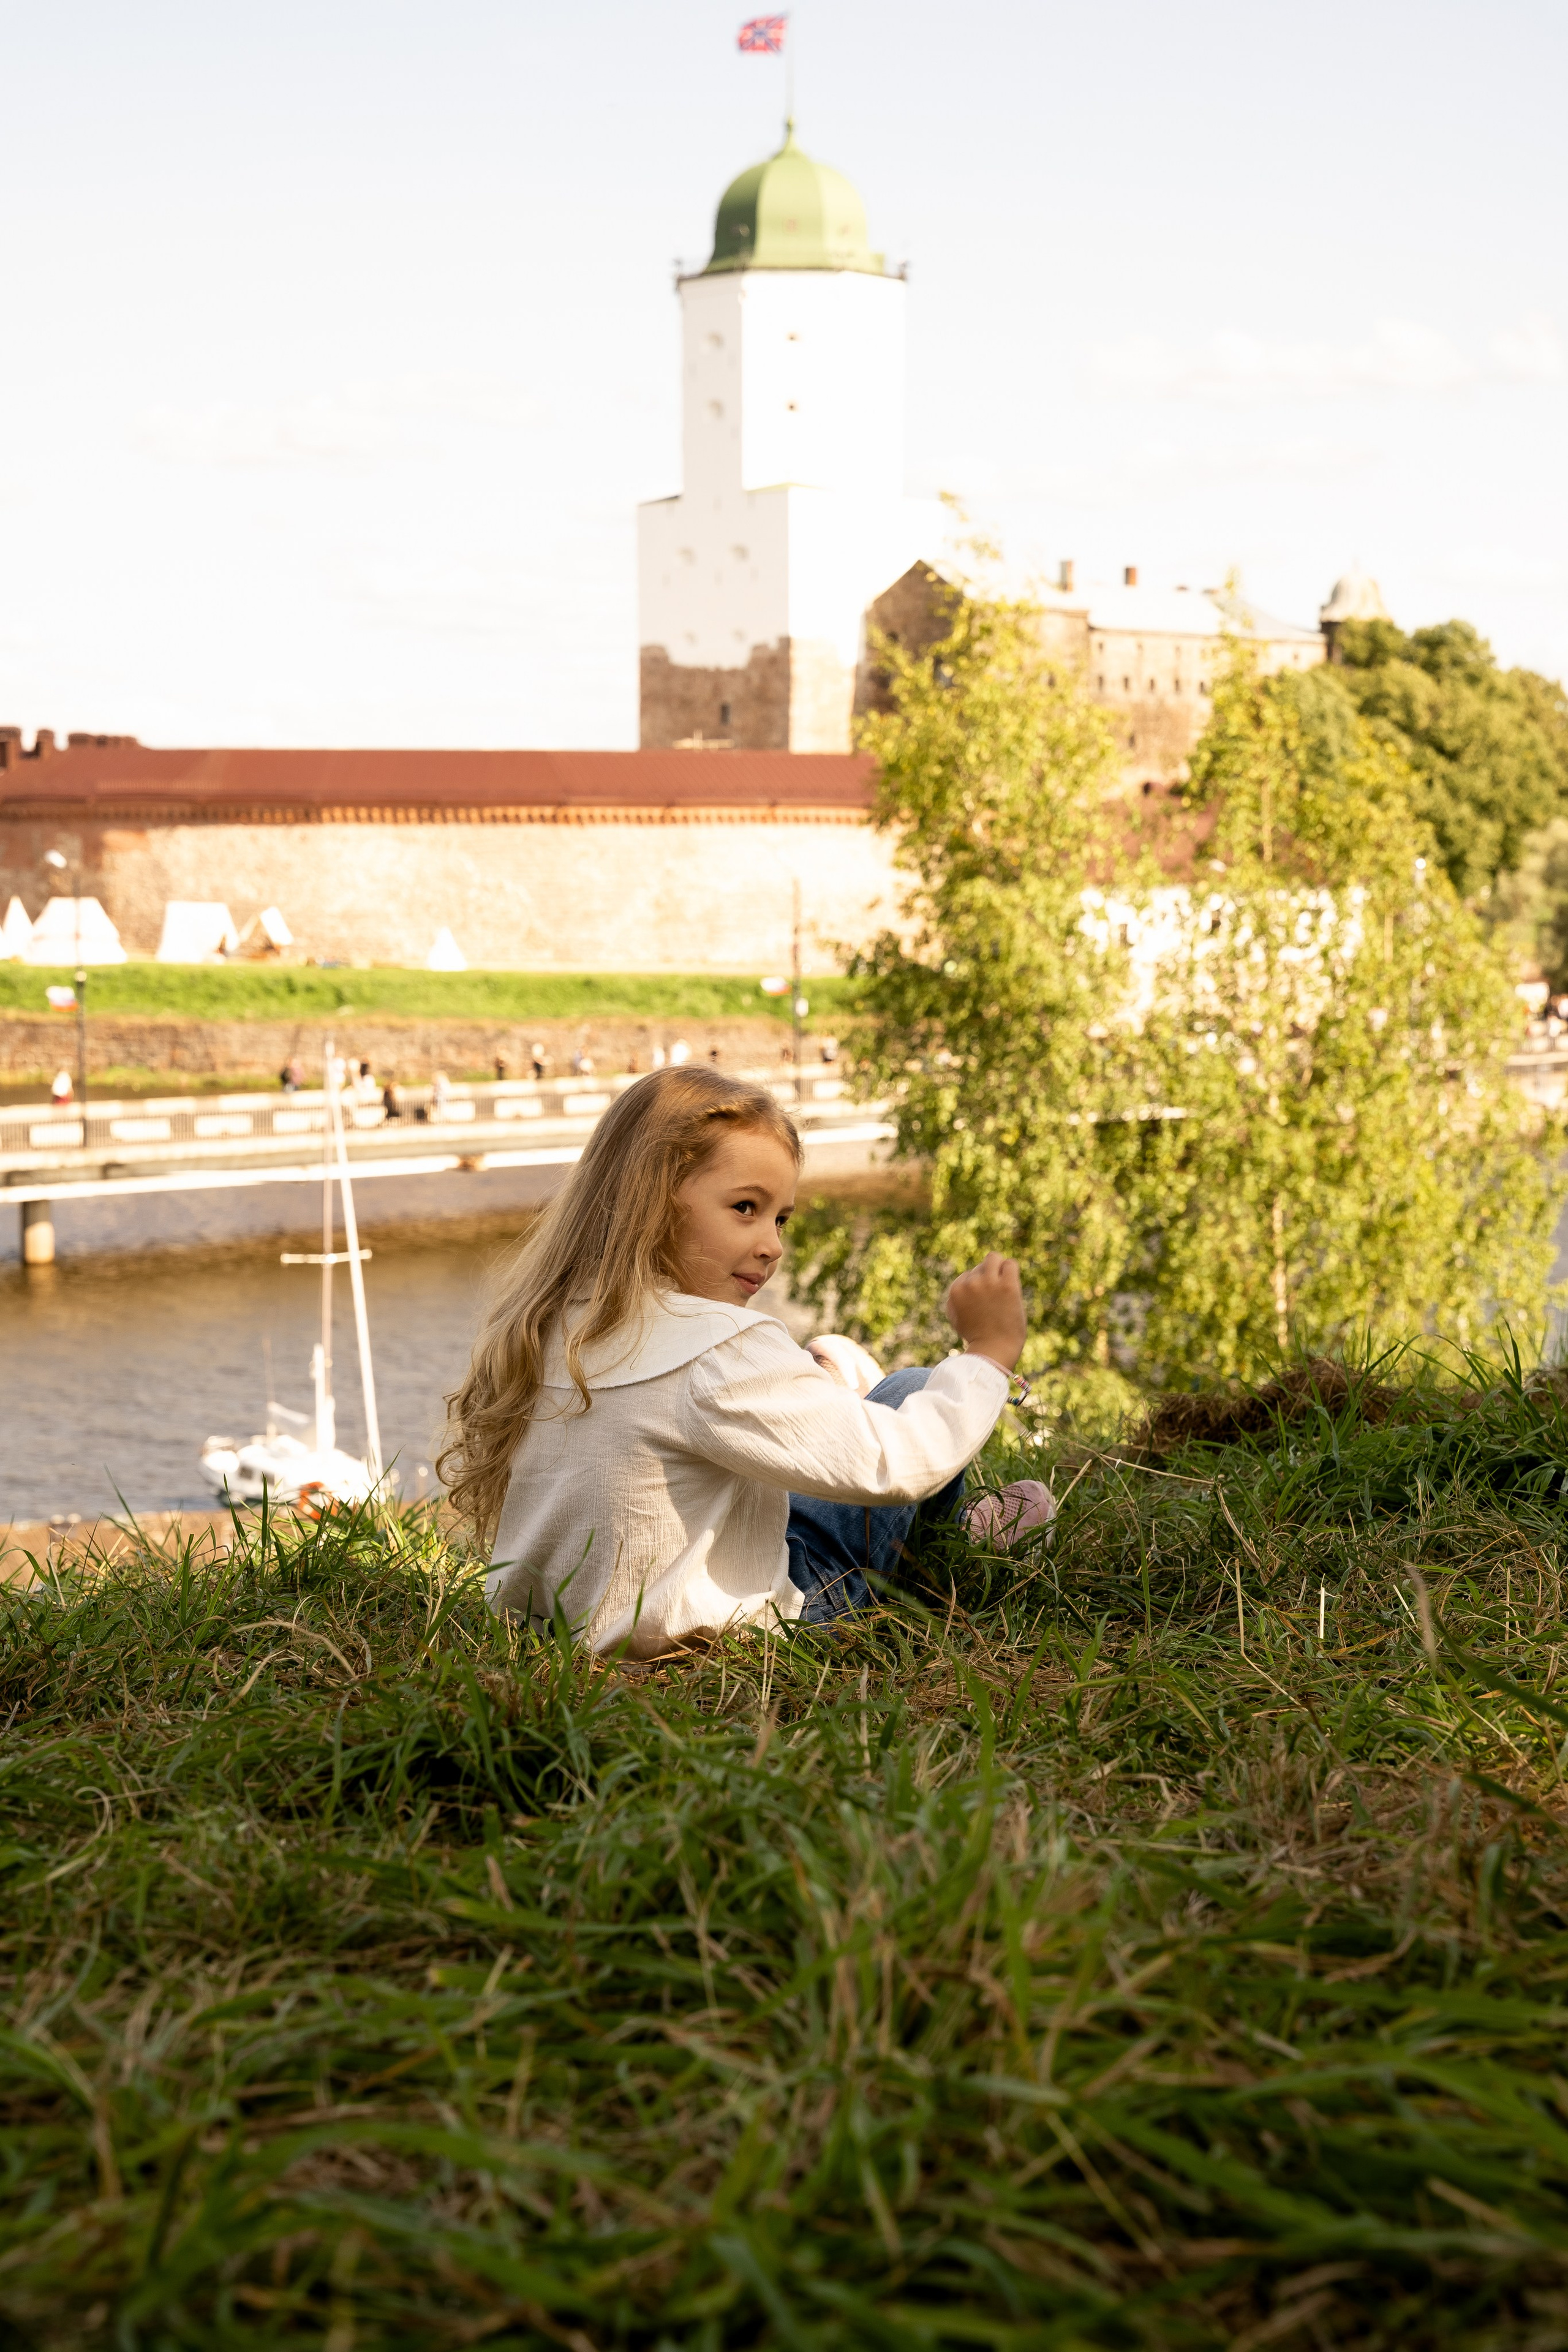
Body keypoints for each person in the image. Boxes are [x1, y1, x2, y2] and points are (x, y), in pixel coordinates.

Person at [442, 1066, 1036, 1657]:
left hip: (555, 1632)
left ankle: (824, 1391)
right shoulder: (720, 1345)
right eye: (745, 1207)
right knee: (914, 1388)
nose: (773, 1245)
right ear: (653, 1202)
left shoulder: (544, 1323)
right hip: (745, 1632)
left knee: (789, 1450)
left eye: (780, 1219)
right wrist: (988, 1353)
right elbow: (901, 1463)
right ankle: (948, 1541)